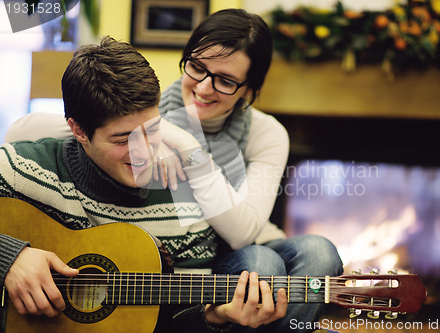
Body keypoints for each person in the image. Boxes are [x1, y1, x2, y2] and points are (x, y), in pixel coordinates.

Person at [5, 9, 343, 332]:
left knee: (304, 256)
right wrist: (11, 257)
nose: (205, 87)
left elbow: (242, 235)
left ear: (250, 92)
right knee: (262, 268)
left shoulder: (262, 135)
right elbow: (33, 129)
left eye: (226, 80)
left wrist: (184, 145)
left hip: (237, 243)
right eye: (197, 67)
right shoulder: (138, 105)